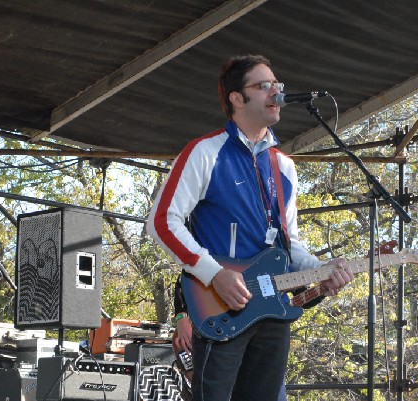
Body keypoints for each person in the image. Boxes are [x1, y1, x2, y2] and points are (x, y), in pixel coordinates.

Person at [147, 54, 353, 401]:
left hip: (272, 308)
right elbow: (161, 222)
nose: (276, 92)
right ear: (236, 98)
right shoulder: (204, 152)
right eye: (263, 86)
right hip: (221, 306)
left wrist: (322, 269)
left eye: (278, 85)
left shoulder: (284, 167)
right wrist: (215, 274)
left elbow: (290, 244)